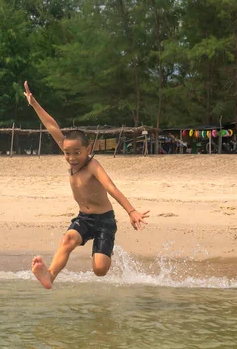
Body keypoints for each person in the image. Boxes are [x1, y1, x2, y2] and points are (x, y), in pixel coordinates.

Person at [23, 81, 150, 289]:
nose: (72, 158)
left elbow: (111, 188)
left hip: (104, 221)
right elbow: (51, 126)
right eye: (67, 153)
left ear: (87, 148)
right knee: (67, 240)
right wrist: (34, 103)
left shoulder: (93, 165)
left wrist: (131, 211)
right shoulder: (67, 149)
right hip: (84, 218)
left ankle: (106, 249)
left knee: (99, 270)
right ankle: (50, 276)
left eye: (77, 153)